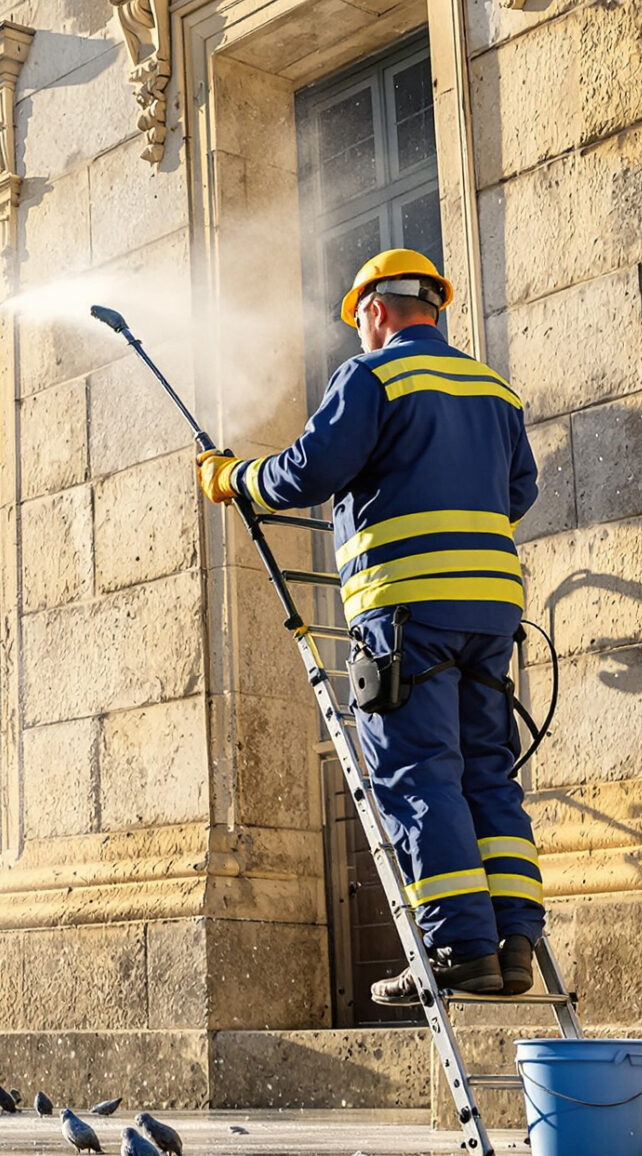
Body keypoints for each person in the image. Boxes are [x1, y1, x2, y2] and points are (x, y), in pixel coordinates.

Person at [194, 248, 542, 1002]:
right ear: (435, 307)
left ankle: (456, 947)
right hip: (488, 615)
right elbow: (521, 491)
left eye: (359, 323)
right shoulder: (494, 388)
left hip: (404, 610)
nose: (359, 335)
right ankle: (515, 942)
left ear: (377, 313)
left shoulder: (371, 376)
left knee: (418, 774)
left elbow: (310, 470)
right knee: (488, 770)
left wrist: (235, 479)